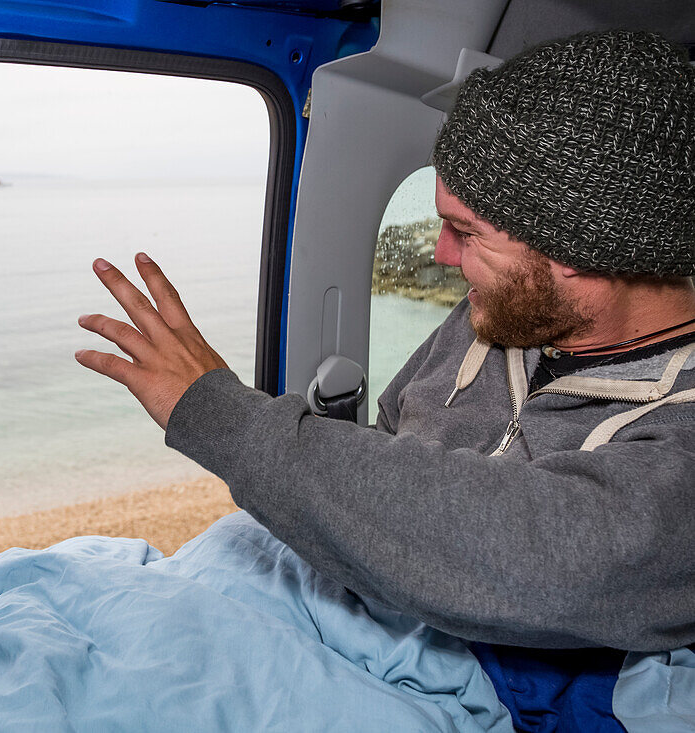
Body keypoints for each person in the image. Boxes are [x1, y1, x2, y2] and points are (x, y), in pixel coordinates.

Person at [77, 30, 695, 727]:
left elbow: (547, 555)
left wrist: (219, 414)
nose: (438, 253)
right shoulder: (493, 320)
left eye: (466, 231)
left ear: (581, 248)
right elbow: (387, 452)